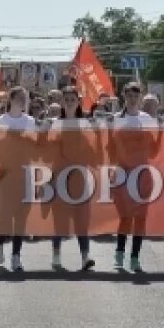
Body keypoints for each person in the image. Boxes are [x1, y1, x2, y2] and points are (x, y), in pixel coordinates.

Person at [48, 86, 96, 271]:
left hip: (79, 176)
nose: (69, 102)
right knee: (59, 218)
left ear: (78, 102)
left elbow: (93, 151)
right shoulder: (55, 124)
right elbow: (47, 150)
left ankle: (85, 257)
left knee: (81, 219)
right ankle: (56, 256)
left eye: (72, 99)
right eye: (66, 99)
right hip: (59, 175)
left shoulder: (85, 124)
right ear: (61, 102)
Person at [112, 82, 157, 272]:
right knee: (125, 216)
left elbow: (154, 149)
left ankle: (135, 256)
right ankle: (120, 250)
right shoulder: (116, 119)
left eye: (135, 96)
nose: (132, 99)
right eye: (129, 95)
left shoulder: (147, 119)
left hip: (142, 173)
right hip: (122, 172)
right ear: (124, 96)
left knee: (140, 217)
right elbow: (108, 146)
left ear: (140, 98)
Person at [0, 87, 35, 271]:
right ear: (10, 100)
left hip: (25, 173)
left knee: (21, 217)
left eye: (25, 98)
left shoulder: (30, 121)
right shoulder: (1, 121)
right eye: (19, 98)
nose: (22, 101)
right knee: (5, 217)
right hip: (6, 174)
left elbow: (35, 146)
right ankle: (0, 243)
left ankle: (16, 256)